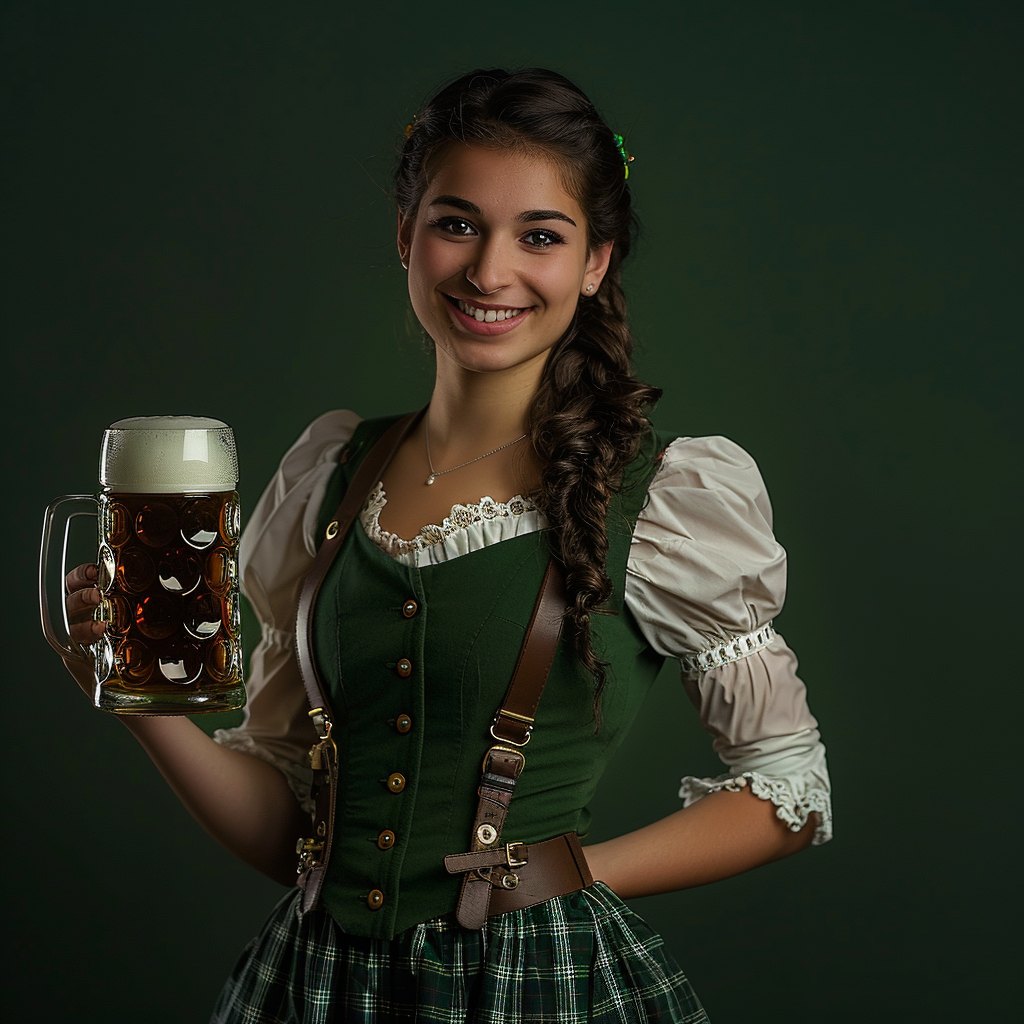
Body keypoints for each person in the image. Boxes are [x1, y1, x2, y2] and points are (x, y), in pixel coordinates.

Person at [61, 67, 832, 1023]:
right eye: (457, 223)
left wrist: (572, 876)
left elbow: (788, 788)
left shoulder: (667, 495)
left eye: (540, 236)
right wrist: (142, 709)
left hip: (534, 986)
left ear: (596, 262)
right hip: (316, 986)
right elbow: (293, 828)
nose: (490, 271)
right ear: (406, 236)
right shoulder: (332, 471)